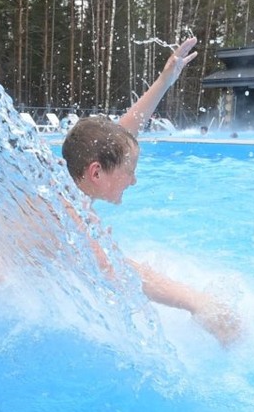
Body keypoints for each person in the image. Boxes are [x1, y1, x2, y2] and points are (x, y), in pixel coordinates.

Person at [62, 114, 241, 344]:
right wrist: (199, 303)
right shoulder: (63, 211)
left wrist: (165, 80)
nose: (133, 180)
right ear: (96, 173)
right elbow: (112, 266)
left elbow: (112, 139)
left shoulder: (73, 191)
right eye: (129, 171)